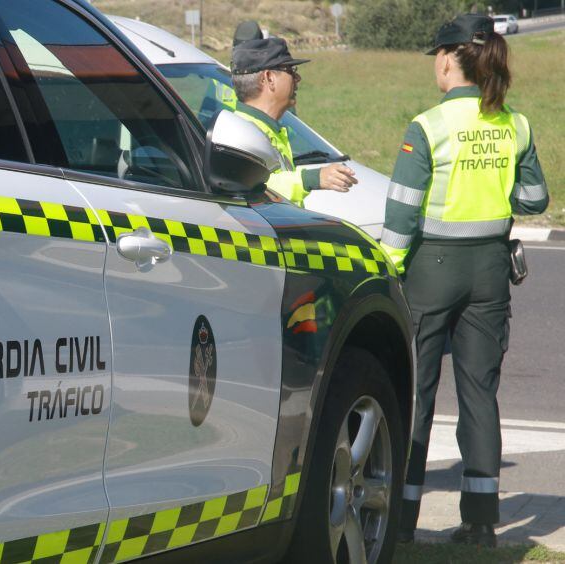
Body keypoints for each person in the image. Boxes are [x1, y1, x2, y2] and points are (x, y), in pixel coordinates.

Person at [385, 14, 549, 547]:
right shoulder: (515, 124)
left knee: (416, 394)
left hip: (432, 268)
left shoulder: (427, 126)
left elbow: (403, 211)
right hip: (489, 271)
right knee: (480, 393)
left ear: (448, 60)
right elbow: (533, 199)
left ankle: (401, 521)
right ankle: (480, 521)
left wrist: (389, 266)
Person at [230, 37, 357, 206]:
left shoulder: (265, 128)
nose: (297, 78)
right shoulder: (240, 133)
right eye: (290, 70)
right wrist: (311, 178)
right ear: (268, 78)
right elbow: (253, 187)